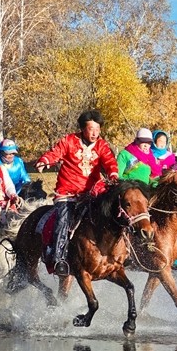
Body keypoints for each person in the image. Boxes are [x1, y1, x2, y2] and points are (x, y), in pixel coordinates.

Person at [34, 109, 119, 276]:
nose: (94, 133)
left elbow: (109, 161)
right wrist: (45, 161)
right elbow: (55, 153)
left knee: (114, 213)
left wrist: (113, 174)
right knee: (62, 220)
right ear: (82, 128)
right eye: (90, 129)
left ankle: (120, 252)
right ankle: (58, 258)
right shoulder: (69, 141)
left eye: (97, 129)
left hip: (93, 192)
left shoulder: (102, 145)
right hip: (68, 192)